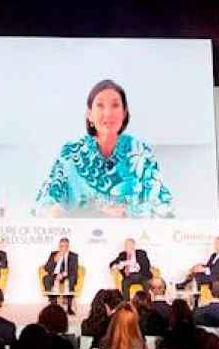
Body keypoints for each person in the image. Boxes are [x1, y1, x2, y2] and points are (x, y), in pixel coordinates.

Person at [32, 79, 175, 217]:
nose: (108, 113)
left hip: (130, 237)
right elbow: (42, 204)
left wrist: (127, 212)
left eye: (115, 105)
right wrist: (54, 211)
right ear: (89, 115)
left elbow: (165, 208)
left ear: (124, 113)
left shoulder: (140, 152)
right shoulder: (72, 152)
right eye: (100, 105)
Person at [42, 236, 80, 310]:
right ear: (59, 246)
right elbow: (46, 268)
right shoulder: (53, 254)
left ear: (68, 246)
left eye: (65, 246)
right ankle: (53, 304)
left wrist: (62, 274)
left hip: (67, 275)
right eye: (61, 246)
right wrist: (54, 260)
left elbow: (74, 270)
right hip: (55, 275)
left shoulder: (73, 256)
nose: (63, 248)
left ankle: (69, 307)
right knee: (46, 278)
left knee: (72, 278)